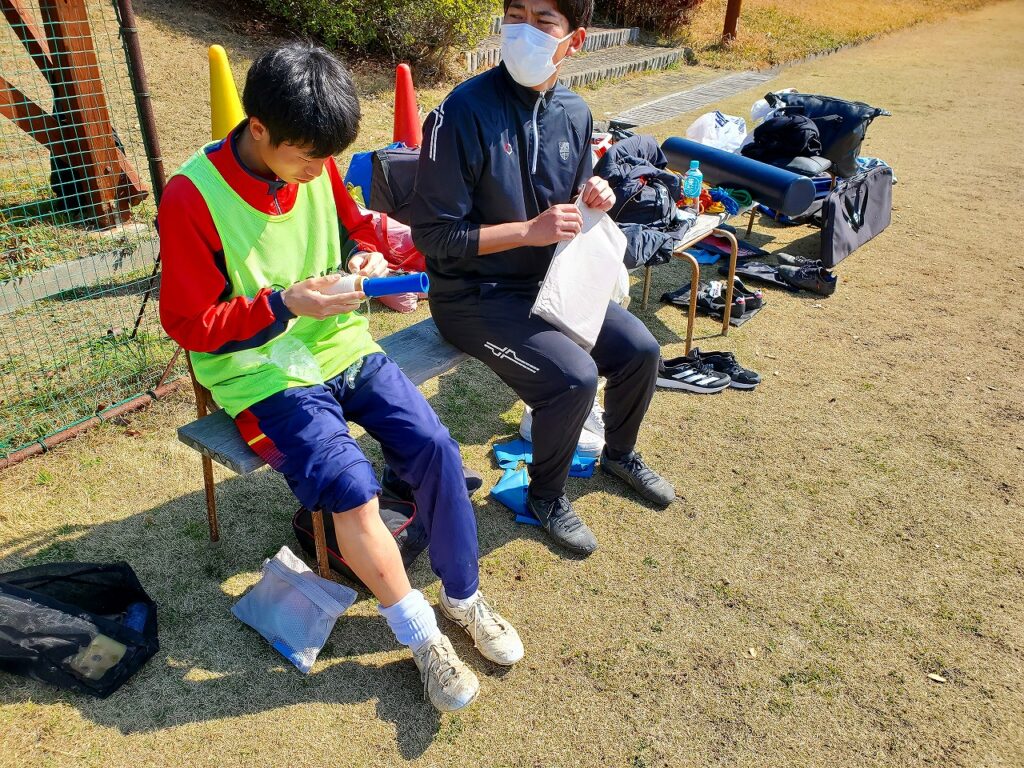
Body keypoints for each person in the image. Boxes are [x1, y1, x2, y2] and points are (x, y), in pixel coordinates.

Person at [158, 43, 522, 712]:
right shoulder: (191, 196)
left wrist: (364, 255)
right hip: (262, 373)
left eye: (327, 159)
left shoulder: (314, 160)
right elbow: (188, 323)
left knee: (435, 446)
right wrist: (283, 304)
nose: (318, 172)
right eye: (307, 159)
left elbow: (355, 228)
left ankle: (464, 598)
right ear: (258, 128)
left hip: (339, 343)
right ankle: (421, 637)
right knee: (353, 490)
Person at [412, 0, 676, 557]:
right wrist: (527, 232)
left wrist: (594, 193)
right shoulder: (460, 113)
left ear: (574, 40)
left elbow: (571, 200)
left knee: (641, 351)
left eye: (543, 21)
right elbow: (433, 237)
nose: (523, 31)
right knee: (573, 379)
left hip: (550, 282)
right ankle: (546, 496)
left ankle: (619, 455)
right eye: (515, 15)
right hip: (472, 296)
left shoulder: (574, 112)